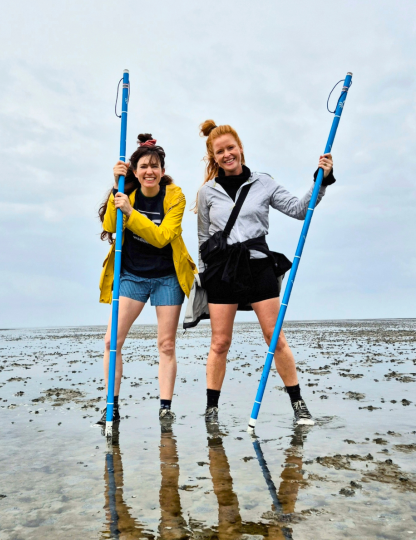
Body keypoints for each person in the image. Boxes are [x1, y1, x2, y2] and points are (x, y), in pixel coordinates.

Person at [195, 120, 336, 426]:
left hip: (259, 264)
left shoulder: (264, 182)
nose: (227, 154)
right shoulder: (207, 192)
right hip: (221, 272)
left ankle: (298, 404)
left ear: (240, 148)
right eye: (220, 151)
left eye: (231, 147)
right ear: (214, 157)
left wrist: (321, 180)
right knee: (220, 342)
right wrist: (205, 274)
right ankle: (211, 411)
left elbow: (300, 209)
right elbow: (204, 238)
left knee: (275, 337)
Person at [97, 134, 197, 427]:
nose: (149, 171)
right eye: (143, 166)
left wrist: (131, 212)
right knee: (111, 341)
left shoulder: (175, 196)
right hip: (132, 275)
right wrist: (116, 192)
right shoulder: (124, 193)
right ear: (134, 171)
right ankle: (111, 408)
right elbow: (109, 226)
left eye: (154, 166)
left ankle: (165, 408)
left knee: (166, 345)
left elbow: (162, 237)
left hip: (168, 276)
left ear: (162, 171)